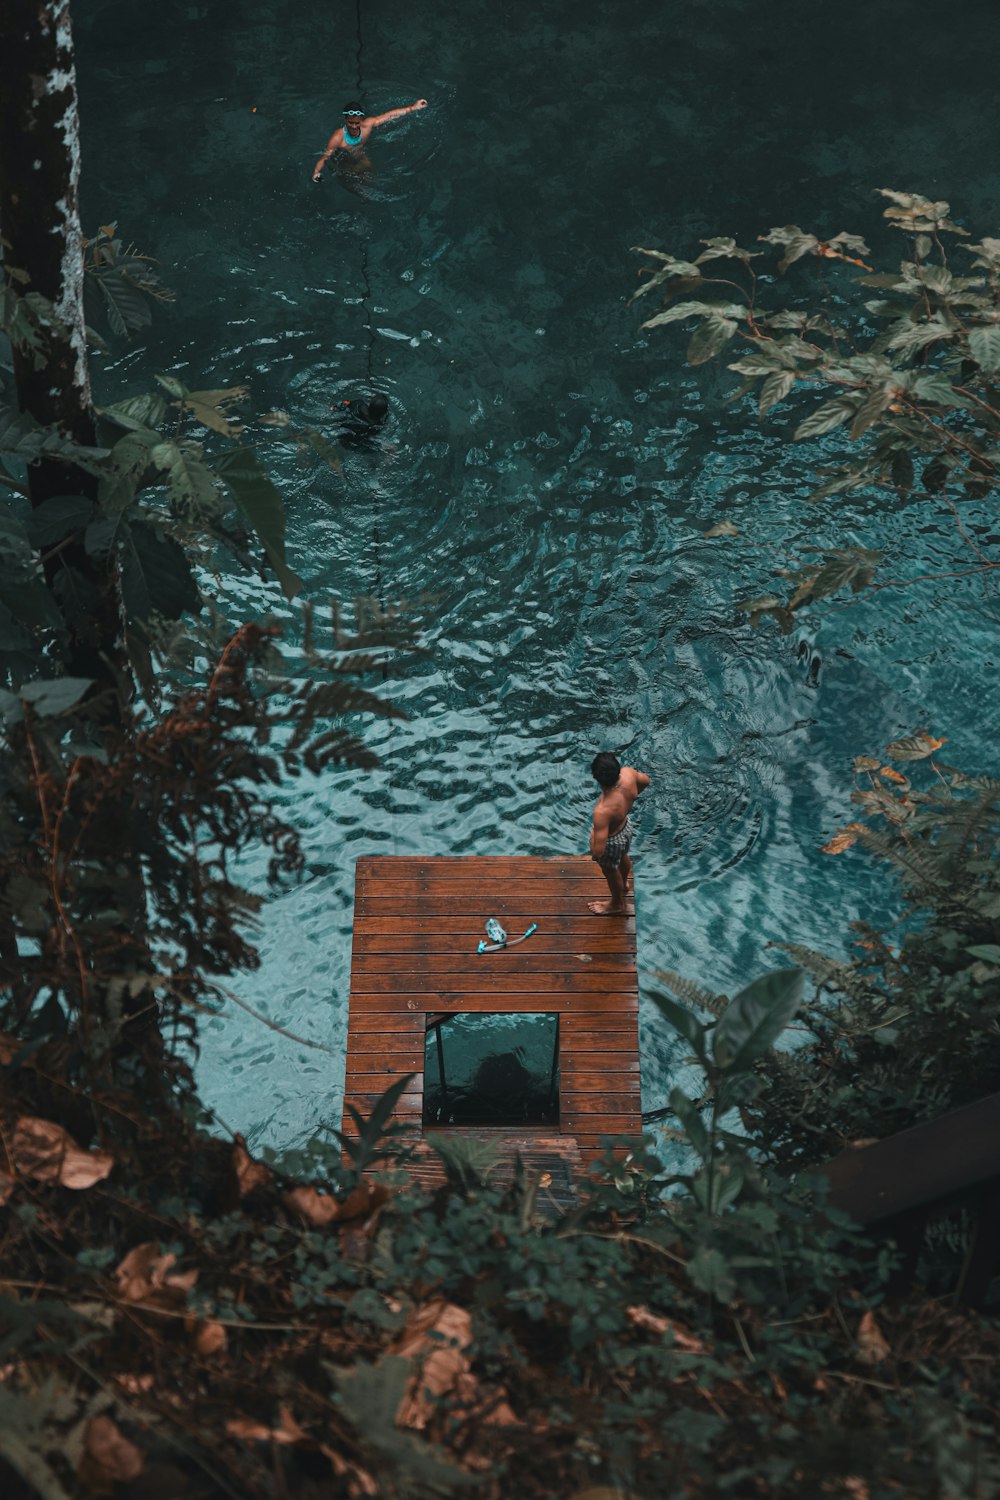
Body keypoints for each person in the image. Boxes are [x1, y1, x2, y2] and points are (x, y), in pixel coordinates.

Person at [587, 752, 650, 915]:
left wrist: (594, 842)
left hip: (612, 840)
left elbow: (598, 851)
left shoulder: (603, 810)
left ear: (595, 777)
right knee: (622, 856)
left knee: (610, 869)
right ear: (618, 768)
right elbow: (645, 781)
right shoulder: (629, 774)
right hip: (626, 828)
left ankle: (617, 903)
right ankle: (624, 884)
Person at [312, 99, 427, 183]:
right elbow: (325, 157)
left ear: (361, 120)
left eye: (356, 123)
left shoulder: (367, 125)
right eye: (350, 123)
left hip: (359, 154)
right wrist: (316, 172)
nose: (353, 126)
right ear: (345, 120)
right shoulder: (337, 137)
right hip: (343, 160)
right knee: (350, 180)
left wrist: (413, 108)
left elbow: (389, 116)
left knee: (368, 172)